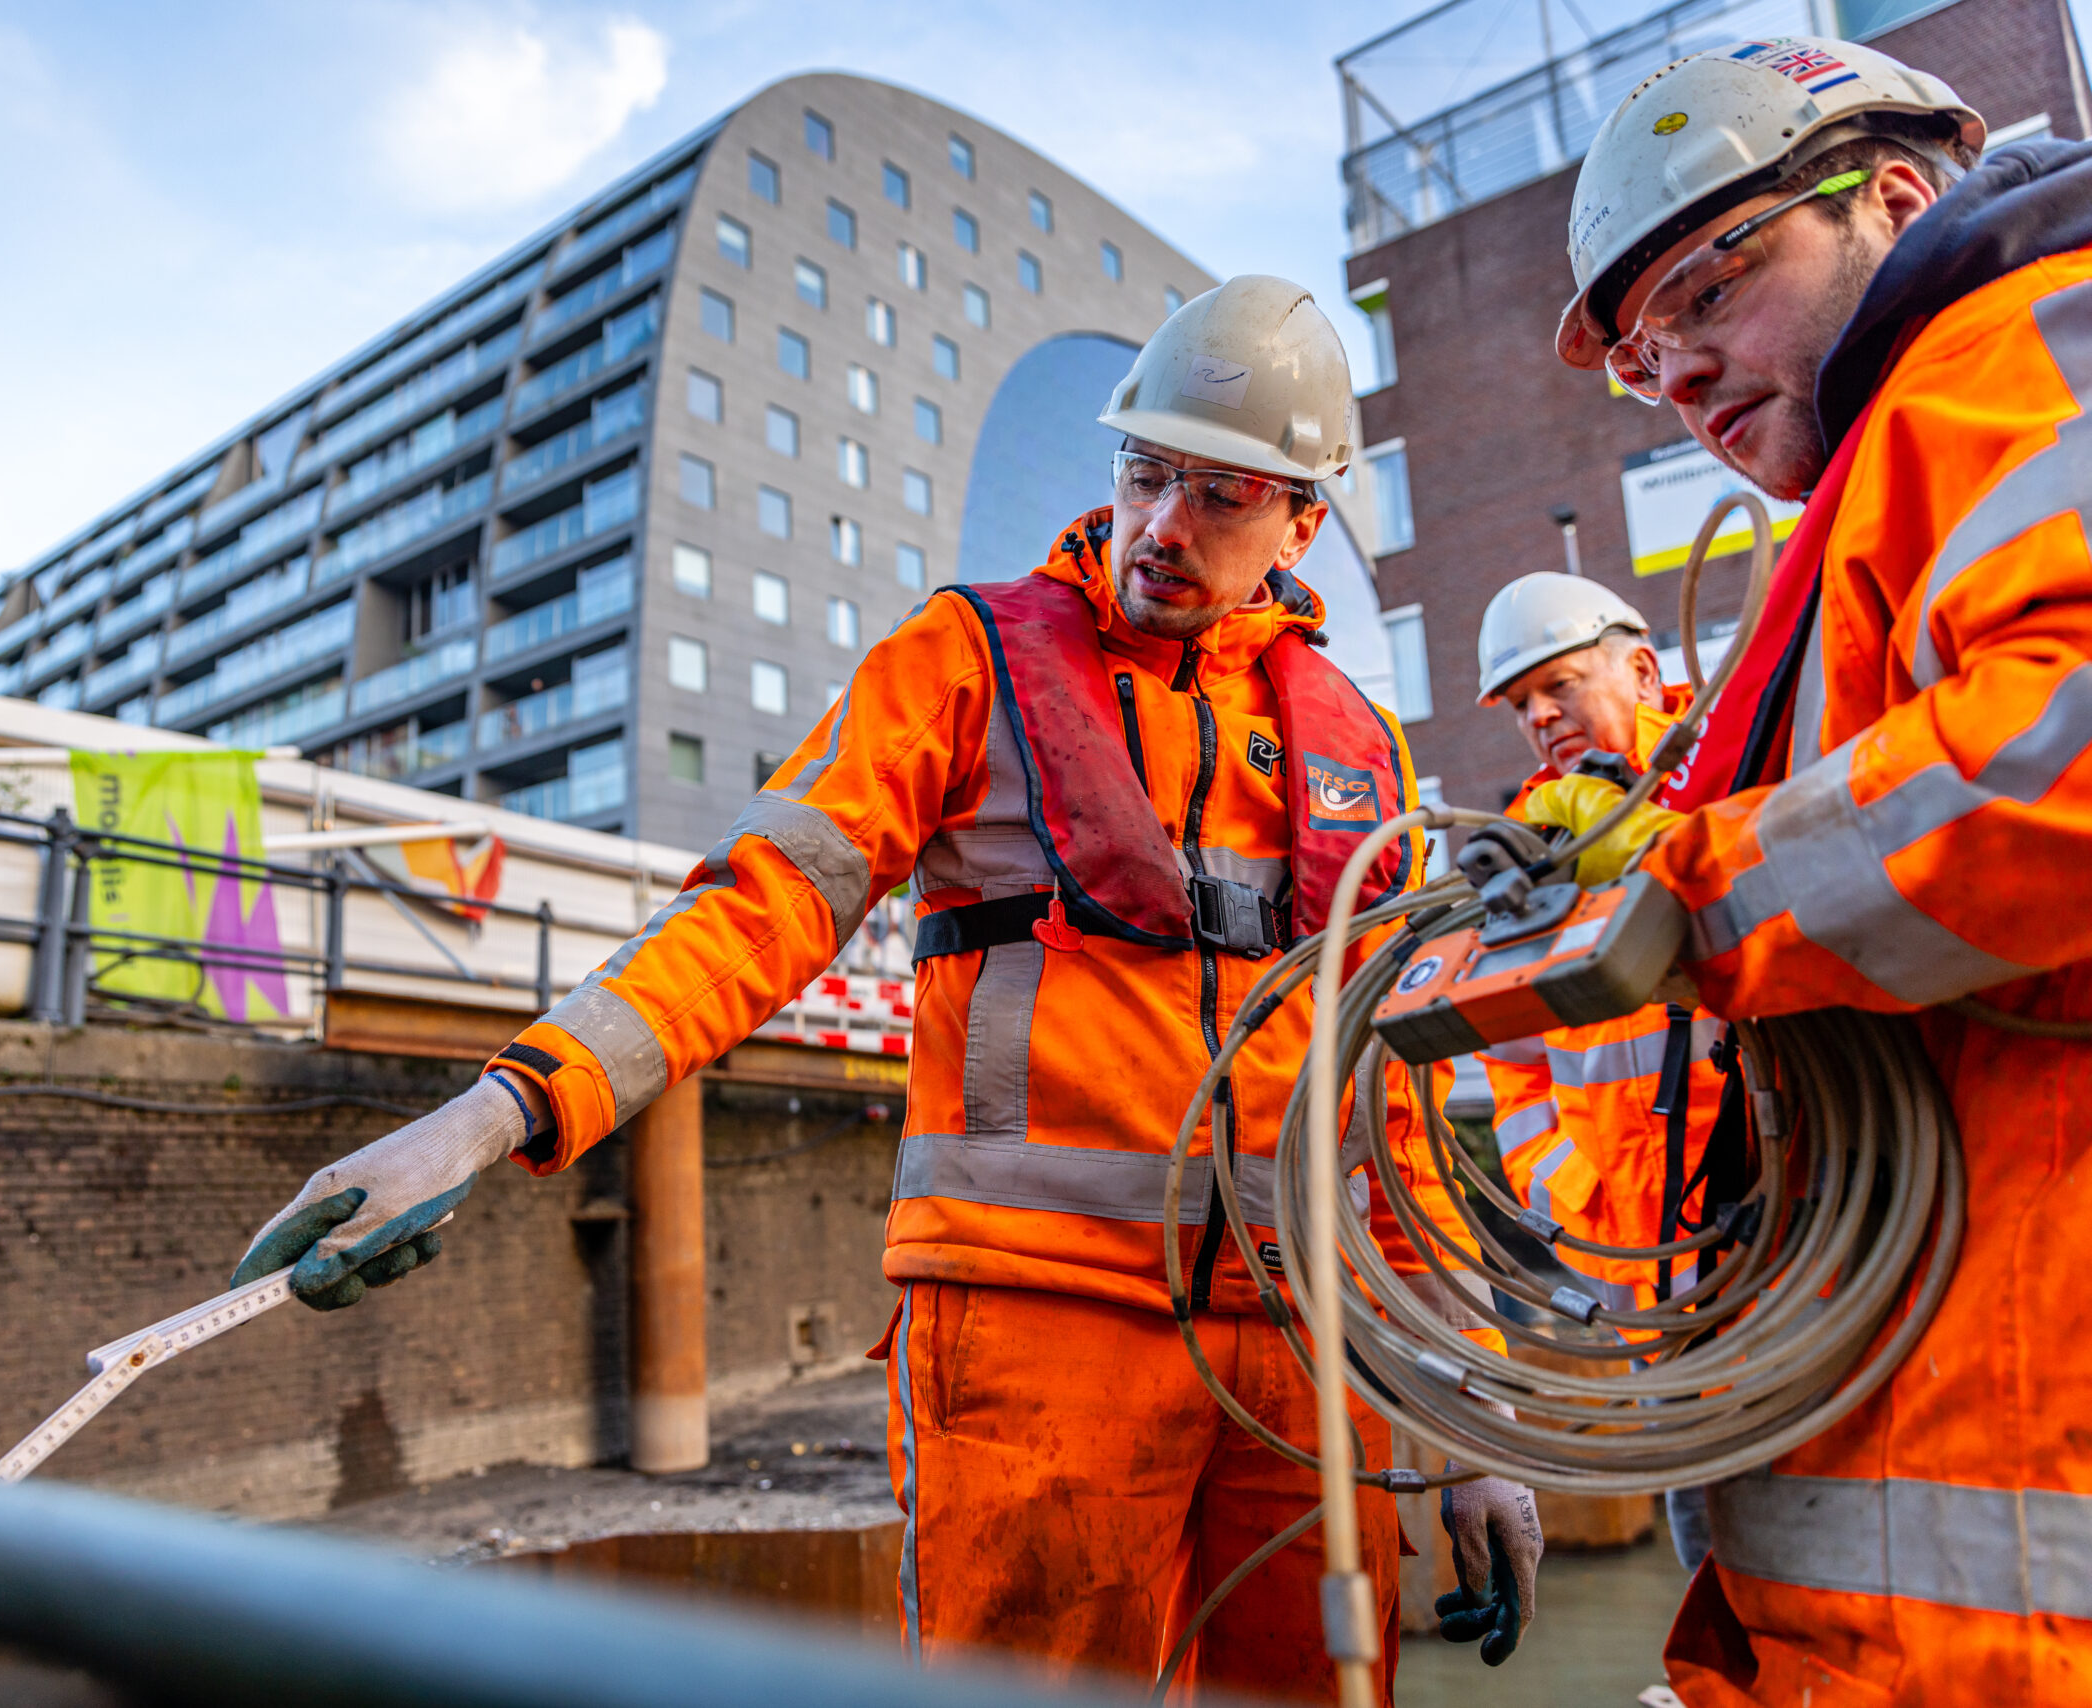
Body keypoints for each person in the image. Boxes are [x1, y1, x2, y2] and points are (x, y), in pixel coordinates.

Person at [233, 278, 1542, 1699]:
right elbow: (763, 907)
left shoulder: (1360, 743)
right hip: (1044, 1332)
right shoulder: (968, 662)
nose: (1166, 525)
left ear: (1302, 523)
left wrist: (1461, 1413)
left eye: (1223, 495)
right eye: (1147, 471)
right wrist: (487, 1120)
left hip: (1310, 1349)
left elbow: (1389, 1100)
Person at [1541, 33, 2092, 1704]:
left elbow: (2065, 743)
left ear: (1899, 197)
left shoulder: (2016, 358)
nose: (1682, 378)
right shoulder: (1869, 498)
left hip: (2014, 1550)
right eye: (1644, 359)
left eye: (1708, 295)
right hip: (1897, 1526)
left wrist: (1688, 895)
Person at [1471, 572, 1731, 1571]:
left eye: (1561, 685)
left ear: (1641, 668)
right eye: (1521, 703)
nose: (1540, 716)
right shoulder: (1526, 860)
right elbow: (1513, 1070)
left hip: (1782, 1240)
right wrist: (1590, 1220)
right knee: (1710, 1551)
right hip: (1643, 1284)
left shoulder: (1734, 777)